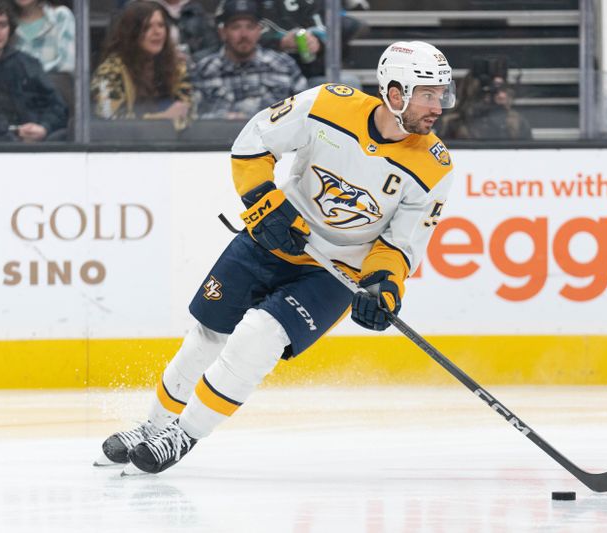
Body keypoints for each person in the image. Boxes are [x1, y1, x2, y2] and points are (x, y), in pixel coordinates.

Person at [94, 40, 457, 475]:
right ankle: (153, 426)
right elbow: (253, 142)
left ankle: (184, 434)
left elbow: (400, 245)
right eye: (428, 94)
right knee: (207, 336)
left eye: (441, 94)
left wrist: (383, 285)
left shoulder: (435, 167)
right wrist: (264, 202)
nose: (438, 106)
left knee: (259, 336)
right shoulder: (327, 104)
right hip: (275, 238)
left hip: (334, 273)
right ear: (395, 93)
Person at [192, 0, 306, 120]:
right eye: (236, 27)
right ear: (223, 32)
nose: (244, 34)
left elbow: (304, 111)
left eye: (250, 27)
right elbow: (191, 119)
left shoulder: (284, 65)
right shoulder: (203, 70)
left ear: (259, 30)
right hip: (216, 137)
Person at [90, 1, 193, 130]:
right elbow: (110, 121)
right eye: (147, 27)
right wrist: (163, 118)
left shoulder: (177, 67)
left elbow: (189, 111)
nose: (157, 32)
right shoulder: (109, 73)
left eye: (161, 25)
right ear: (132, 33)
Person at [0, 0, 67, 141]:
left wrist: (44, 128)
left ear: (11, 28)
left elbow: (57, 106)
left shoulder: (27, 64)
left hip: (30, 149)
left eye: (2, 25)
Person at [258, 0, 366, 85]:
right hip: (266, 73)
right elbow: (245, 34)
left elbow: (355, 26)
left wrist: (319, 42)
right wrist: (279, 42)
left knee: (349, 83)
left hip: (311, 72)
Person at [439, 55, 531, 141]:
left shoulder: (516, 123)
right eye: (494, 90)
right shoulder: (453, 124)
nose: (502, 95)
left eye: (503, 88)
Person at [8, 0, 74, 73]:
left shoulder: (61, 16)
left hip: (56, 83)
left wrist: (31, 74)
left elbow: (67, 65)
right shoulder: (2, 24)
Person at [152, 0, 219, 61]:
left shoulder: (196, 10)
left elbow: (213, 46)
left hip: (193, 66)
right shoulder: (150, 9)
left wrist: (190, 59)